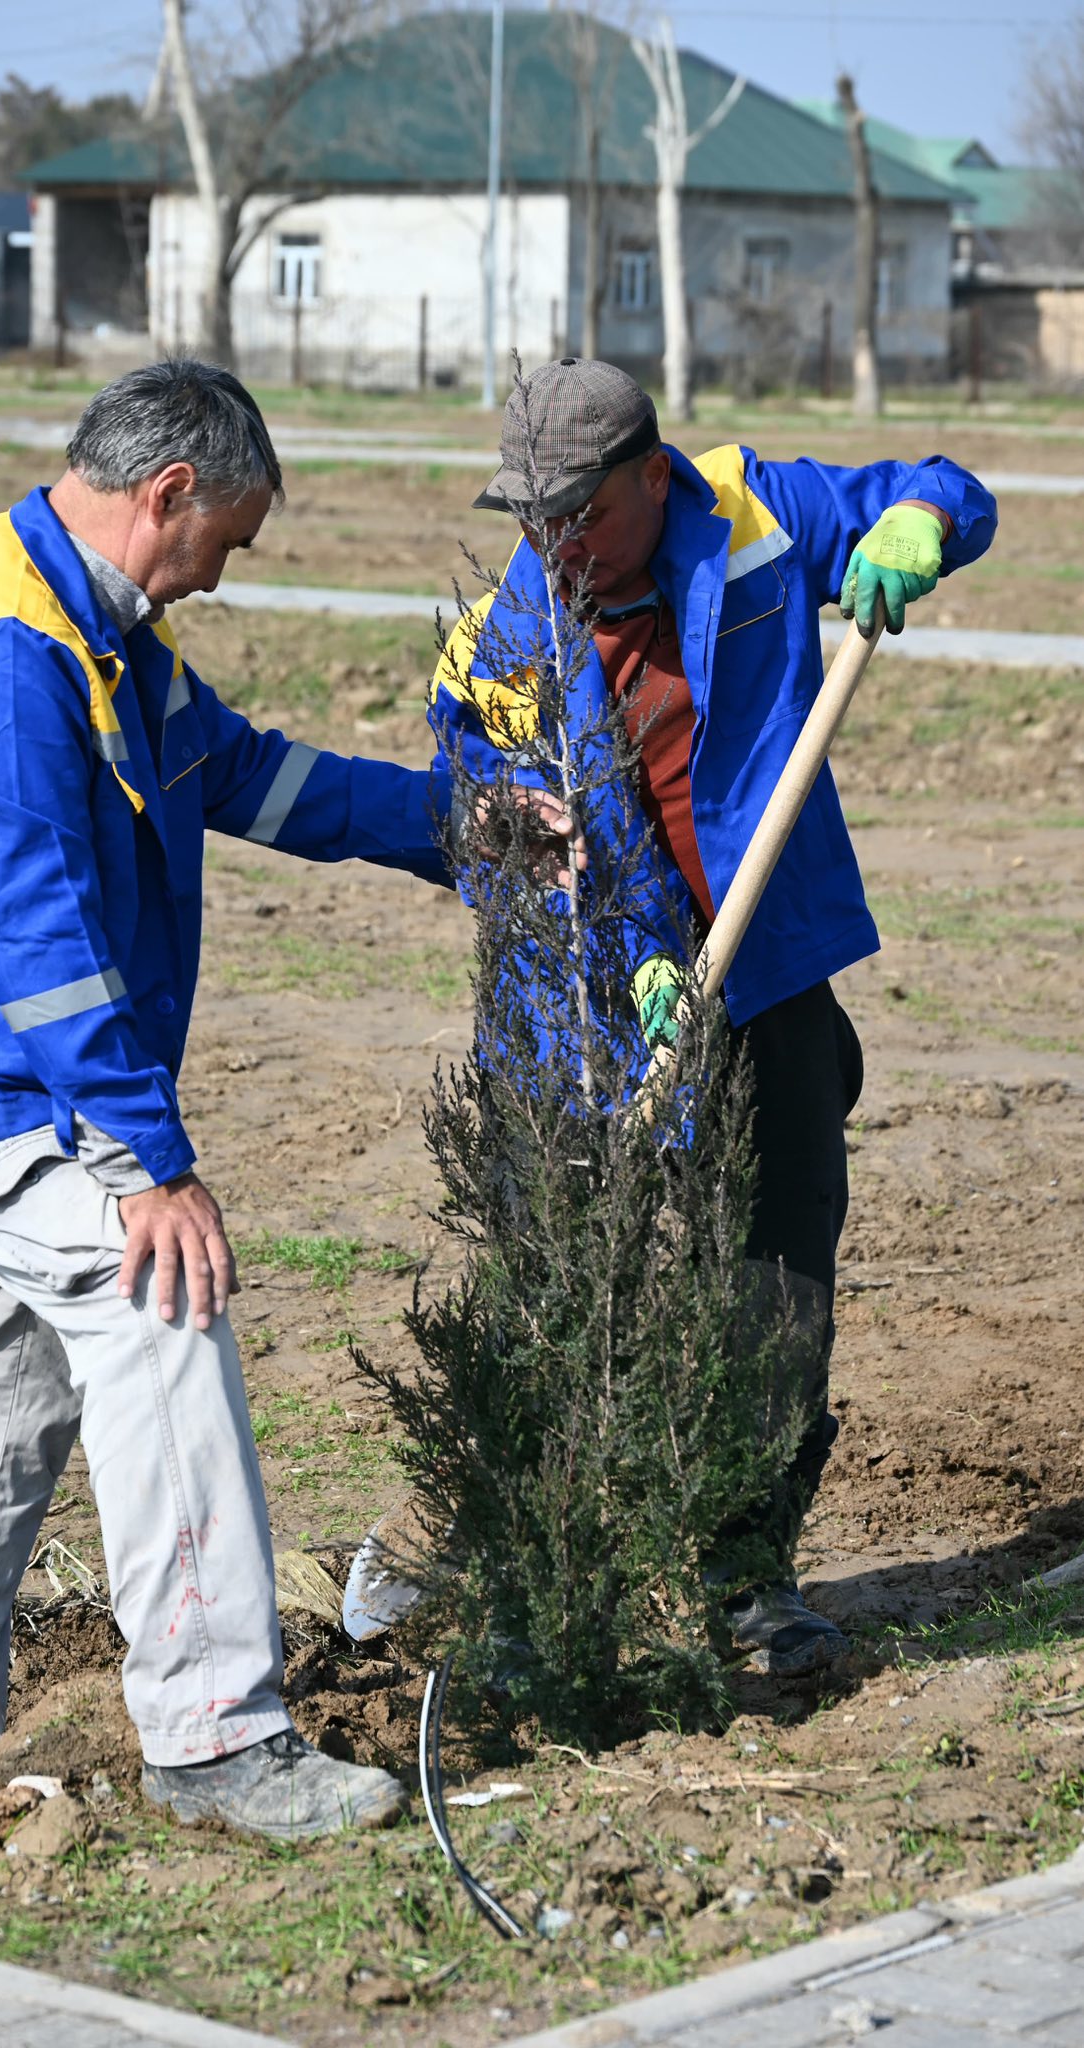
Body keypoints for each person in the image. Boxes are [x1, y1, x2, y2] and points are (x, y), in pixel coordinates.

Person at [0, 358, 455, 1840]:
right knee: (163, 1300)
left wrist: (450, 826)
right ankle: (217, 1735)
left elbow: (247, 775)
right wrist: (148, 1164)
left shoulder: (90, 626)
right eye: (222, 541)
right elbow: (34, 936)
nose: (218, 578)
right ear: (165, 494)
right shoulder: (8, 659)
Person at [347, 356, 997, 1675]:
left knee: (776, 1274)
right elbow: (501, 838)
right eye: (530, 517)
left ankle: (743, 1576)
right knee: (559, 1277)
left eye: (578, 510)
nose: (553, 542)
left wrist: (919, 527)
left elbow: (943, 488)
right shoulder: (509, 644)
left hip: (763, 968)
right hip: (582, 1001)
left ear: (654, 474)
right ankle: (494, 1577)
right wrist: (632, 961)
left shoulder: (752, 518)